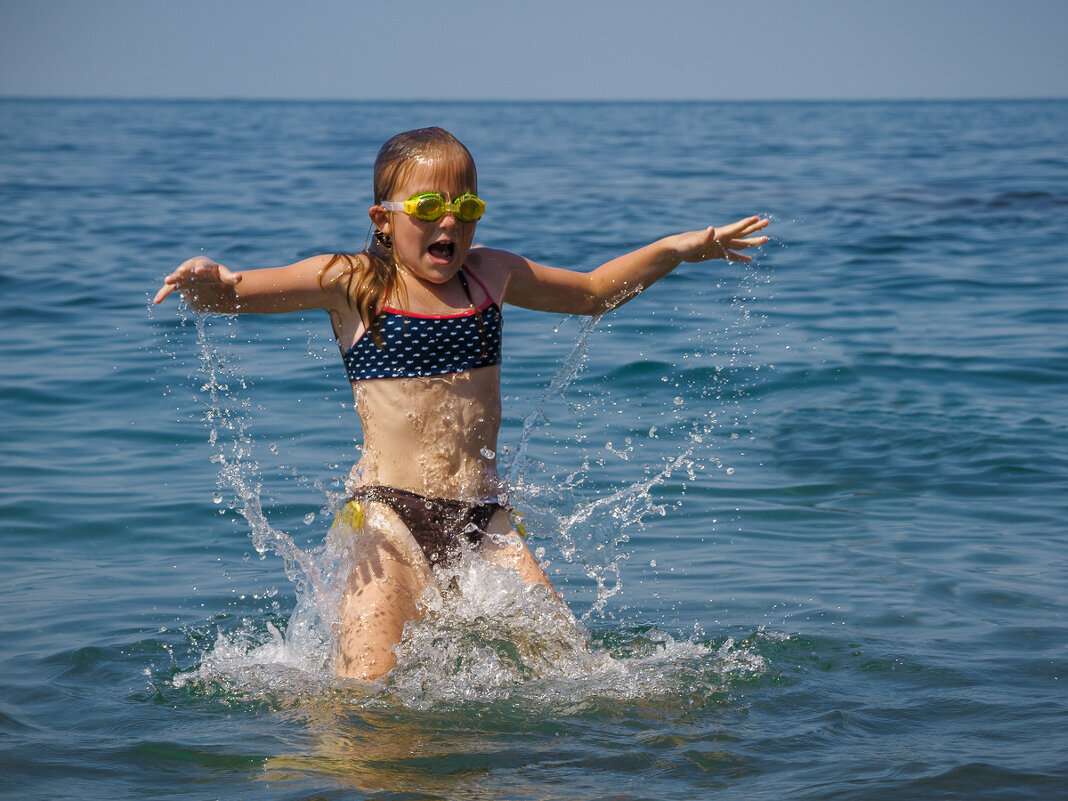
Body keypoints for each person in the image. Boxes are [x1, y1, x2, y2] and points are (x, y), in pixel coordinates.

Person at [154, 127, 769, 680]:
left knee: (580, 676)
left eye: (466, 207)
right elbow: (230, 296)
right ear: (383, 218)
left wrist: (676, 251)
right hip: (387, 517)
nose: (449, 223)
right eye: (427, 208)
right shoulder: (351, 282)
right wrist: (209, 282)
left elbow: (592, 293)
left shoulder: (491, 276)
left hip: (484, 518)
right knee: (366, 690)